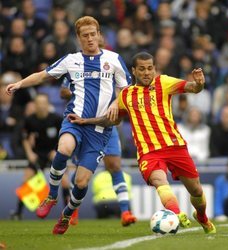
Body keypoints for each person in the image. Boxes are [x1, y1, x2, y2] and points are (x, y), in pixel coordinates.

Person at [5, 16, 133, 235]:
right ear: (78, 38)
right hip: (74, 120)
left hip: (100, 130)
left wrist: (114, 102)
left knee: (82, 182)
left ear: (99, 34)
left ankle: (66, 215)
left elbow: (127, 89)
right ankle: (52, 195)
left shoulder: (113, 59)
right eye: (85, 35)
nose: (90, 39)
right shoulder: (71, 60)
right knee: (64, 148)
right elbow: (42, 75)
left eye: (93, 34)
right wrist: (19, 83)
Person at [68, 52, 216, 234]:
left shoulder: (164, 82)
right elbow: (111, 120)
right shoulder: (126, 95)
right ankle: (176, 214)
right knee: (159, 180)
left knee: (197, 190)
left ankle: (201, 216)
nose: (147, 73)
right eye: (142, 69)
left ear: (154, 68)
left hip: (174, 146)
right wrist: (86, 121)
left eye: (150, 68)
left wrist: (200, 83)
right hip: (148, 151)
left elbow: (193, 88)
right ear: (134, 71)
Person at [60, 80, 136, 226]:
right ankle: (73, 211)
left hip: (107, 124)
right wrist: (84, 94)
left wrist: (115, 100)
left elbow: (124, 92)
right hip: (84, 125)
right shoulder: (76, 64)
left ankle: (125, 212)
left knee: (114, 166)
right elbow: (63, 92)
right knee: (80, 169)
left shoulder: (112, 65)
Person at [10, 94, 70, 220]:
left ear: (48, 105)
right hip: (38, 154)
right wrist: (30, 153)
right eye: (38, 103)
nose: (41, 106)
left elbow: (64, 137)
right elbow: (24, 138)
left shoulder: (56, 119)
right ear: (35, 105)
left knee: (65, 181)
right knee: (27, 177)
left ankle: (67, 214)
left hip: (54, 153)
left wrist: (57, 152)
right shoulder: (29, 120)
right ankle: (18, 213)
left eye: (43, 103)